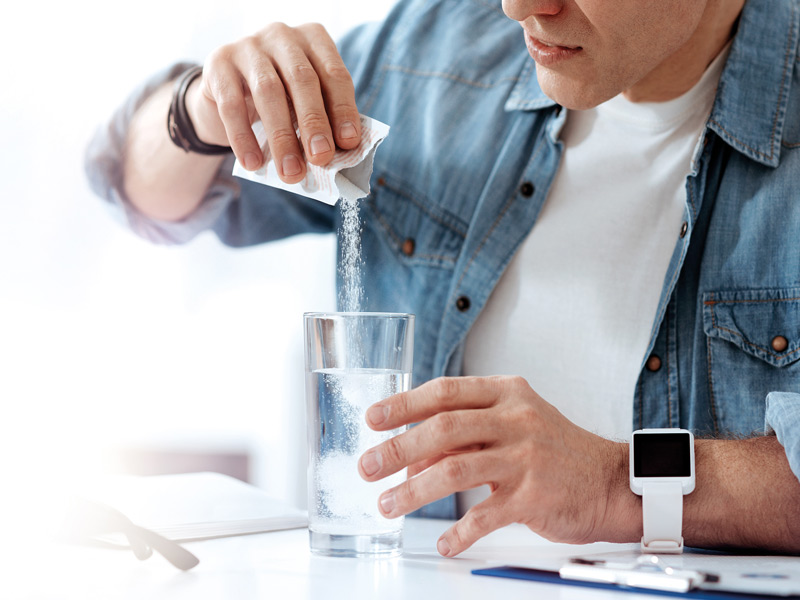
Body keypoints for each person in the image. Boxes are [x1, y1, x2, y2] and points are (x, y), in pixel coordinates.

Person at [86, 0, 800, 557]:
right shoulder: (430, 56)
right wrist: (199, 110)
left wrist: (621, 482)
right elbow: (138, 192)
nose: (519, 10)